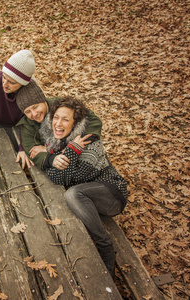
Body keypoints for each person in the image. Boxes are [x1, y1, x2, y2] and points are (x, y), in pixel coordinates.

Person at [39, 97, 128, 279]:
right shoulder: (57, 140)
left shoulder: (90, 143)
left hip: (111, 194)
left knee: (72, 194)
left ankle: (104, 245)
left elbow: (71, 177)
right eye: (56, 117)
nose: (58, 123)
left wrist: (70, 151)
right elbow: (57, 177)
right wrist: (61, 153)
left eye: (65, 119)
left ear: (75, 123)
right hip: (87, 194)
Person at [15, 81, 103, 171]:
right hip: (60, 162)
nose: (34, 114)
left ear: (43, 100)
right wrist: (51, 159)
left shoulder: (61, 105)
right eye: (27, 112)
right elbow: (32, 150)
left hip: (85, 154)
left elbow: (93, 121)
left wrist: (72, 145)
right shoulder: (27, 125)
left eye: (35, 107)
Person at [0, 49, 36, 169]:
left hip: (18, 126)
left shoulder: (30, 94)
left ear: (23, 83)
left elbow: (31, 124)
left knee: (17, 158)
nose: (4, 84)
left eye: (12, 82)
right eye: (4, 77)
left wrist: (23, 148)